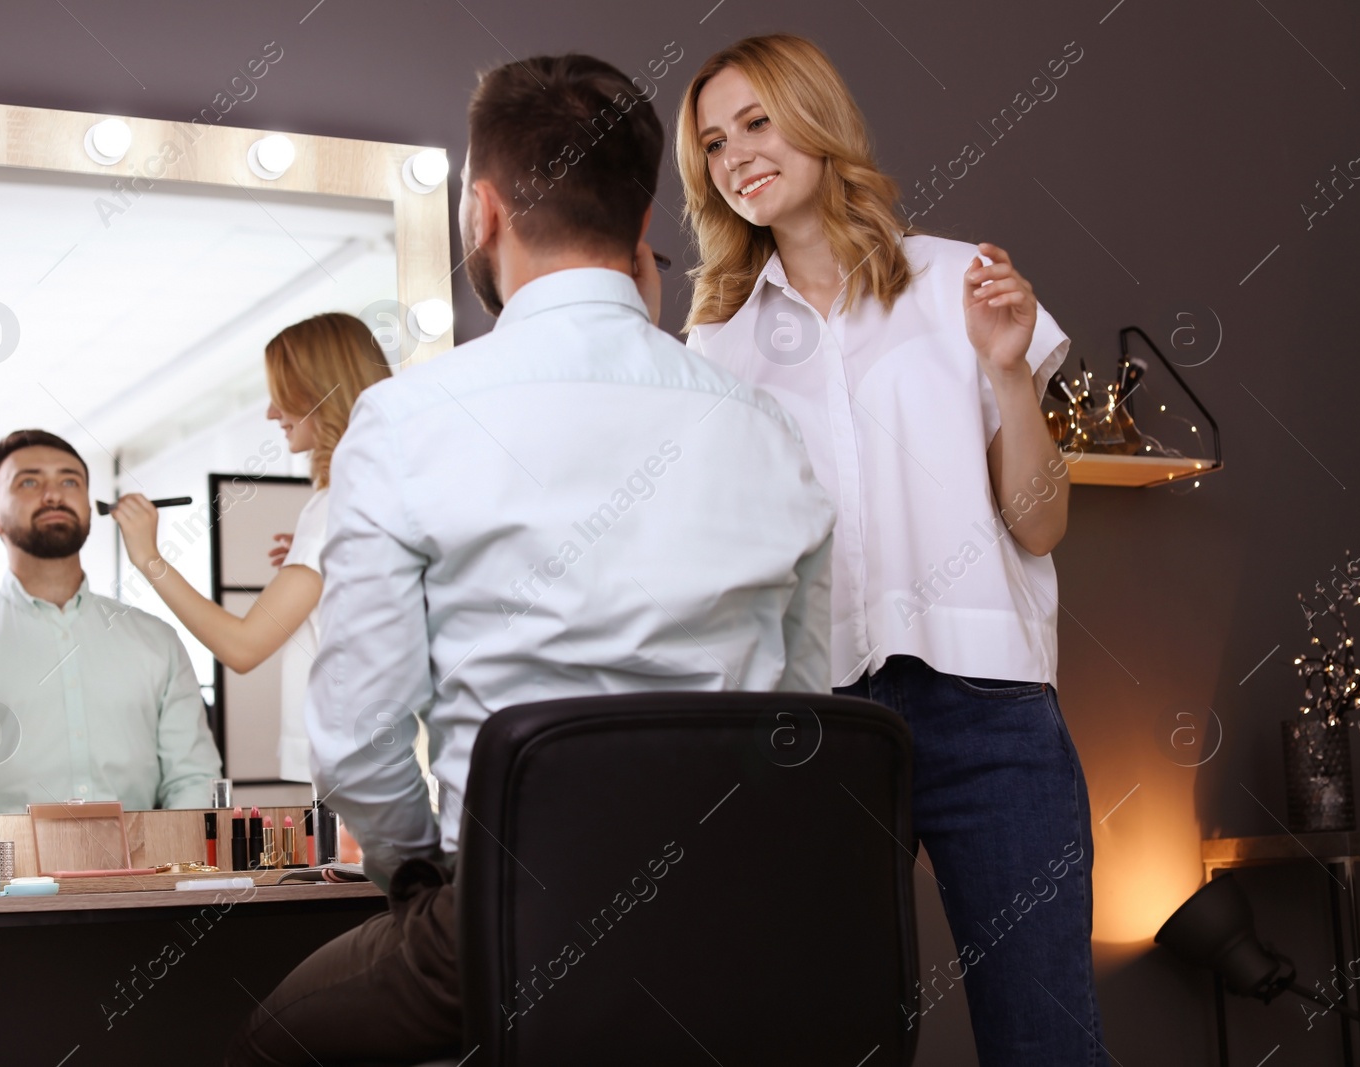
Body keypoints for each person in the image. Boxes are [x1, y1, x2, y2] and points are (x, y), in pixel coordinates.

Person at [223, 52, 836, 1066]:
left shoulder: (405, 419)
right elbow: (805, 703)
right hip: (740, 923)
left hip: (516, 915)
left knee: (273, 1035)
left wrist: (420, 880)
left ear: (485, 210)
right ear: (643, 227)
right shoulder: (766, 427)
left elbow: (357, 738)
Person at [676, 34, 1099, 1065]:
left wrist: (1005, 374)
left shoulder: (961, 280)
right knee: (831, 1037)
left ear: (816, 118)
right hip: (817, 724)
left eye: (756, 122)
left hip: (990, 710)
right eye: (713, 143)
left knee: (1044, 1040)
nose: (736, 156)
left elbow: (1040, 523)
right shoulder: (716, 346)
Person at [111, 313, 391, 782]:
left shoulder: (336, 506)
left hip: (355, 757)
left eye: (282, 394)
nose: (270, 413)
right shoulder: (374, 489)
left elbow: (241, 647)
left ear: (318, 390)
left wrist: (149, 560)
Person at [0, 429, 221, 813]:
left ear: (90, 507)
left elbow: (194, 780)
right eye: (29, 481)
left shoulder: (157, 641)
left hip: (144, 869)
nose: (53, 494)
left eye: (70, 481)